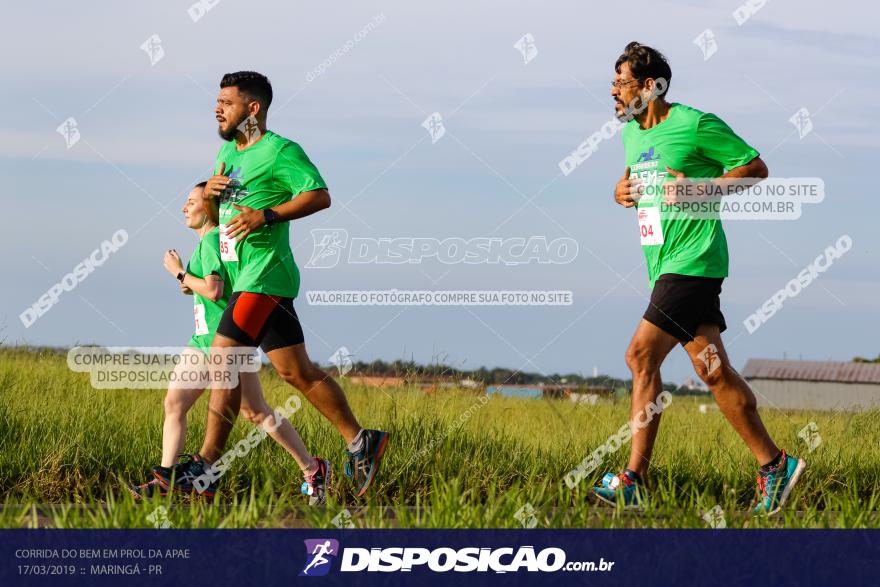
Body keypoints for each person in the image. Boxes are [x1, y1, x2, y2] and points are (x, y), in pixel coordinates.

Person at [592, 42, 806, 515]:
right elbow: (634, 183)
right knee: (712, 370)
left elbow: (755, 168)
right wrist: (619, 191)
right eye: (612, 83)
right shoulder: (631, 134)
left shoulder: (695, 124)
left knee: (640, 355)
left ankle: (634, 479)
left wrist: (698, 188)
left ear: (650, 86)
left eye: (621, 82)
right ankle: (775, 465)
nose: (613, 92)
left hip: (693, 263)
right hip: (665, 265)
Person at [153, 71, 388, 500]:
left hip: (264, 276)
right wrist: (211, 196)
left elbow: (319, 195)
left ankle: (205, 466)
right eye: (217, 102)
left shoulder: (281, 151)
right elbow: (216, 214)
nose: (217, 108)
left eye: (227, 102)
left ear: (253, 109)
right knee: (295, 371)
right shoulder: (227, 152)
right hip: (247, 277)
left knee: (224, 355)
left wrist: (267, 215)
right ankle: (361, 442)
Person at [130, 182, 331, 504]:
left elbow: (214, 291)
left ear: (208, 208)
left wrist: (179, 274)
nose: (184, 207)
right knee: (184, 404)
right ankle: (167, 481)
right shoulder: (211, 244)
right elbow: (215, 285)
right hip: (205, 340)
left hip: (223, 341)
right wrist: (188, 282)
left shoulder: (211, 241)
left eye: (191, 201)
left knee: (251, 411)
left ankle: (312, 468)